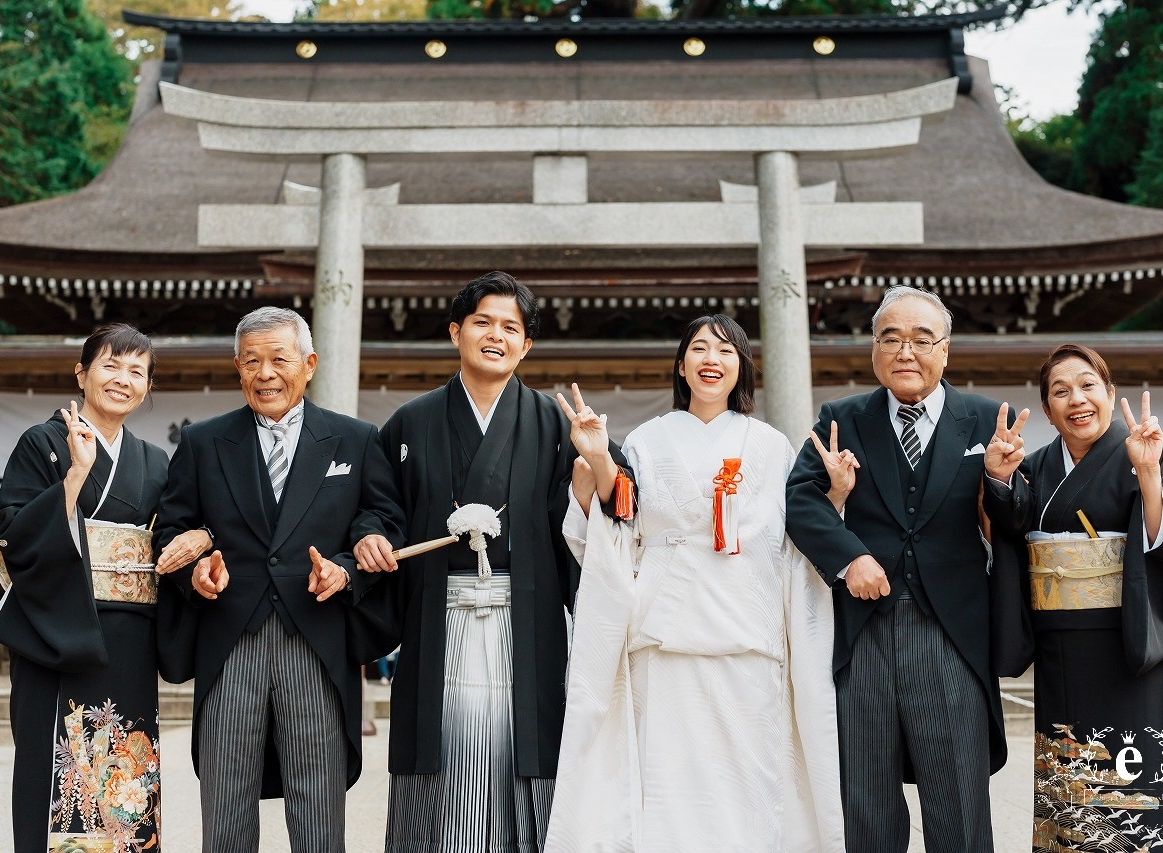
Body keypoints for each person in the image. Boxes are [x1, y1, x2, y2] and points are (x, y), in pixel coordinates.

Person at [349, 270, 629, 852]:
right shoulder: (409, 423)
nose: (495, 336)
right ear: (456, 332)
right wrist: (370, 537)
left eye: (511, 327)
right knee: (437, 754)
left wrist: (596, 465)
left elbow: (611, 511)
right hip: (436, 623)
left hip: (525, 624)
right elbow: (378, 508)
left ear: (526, 346)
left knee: (522, 753)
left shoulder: (558, 424)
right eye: (482, 322)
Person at [547, 315, 846, 851]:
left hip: (748, 635)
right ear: (681, 365)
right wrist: (597, 457)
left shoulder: (772, 445)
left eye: (726, 351)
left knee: (751, 783)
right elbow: (621, 517)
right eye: (700, 349)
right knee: (664, 783)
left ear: (742, 369)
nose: (712, 360)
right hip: (665, 636)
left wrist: (836, 502)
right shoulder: (646, 439)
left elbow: (797, 538)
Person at [153, 306, 393, 852]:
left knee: (318, 809)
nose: (266, 374)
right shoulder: (203, 443)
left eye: (280, 359)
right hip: (230, 636)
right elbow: (172, 528)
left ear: (308, 364)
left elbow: (378, 519)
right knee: (226, 801)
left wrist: (350, 568)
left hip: (317, 634)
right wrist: (195, 573)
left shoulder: (355, 440)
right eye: (252, 361)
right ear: (237, 368)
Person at [785, 285, 1008, 853]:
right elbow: (799, 500)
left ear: (946, 350)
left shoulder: (985, 420)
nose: (905, 351)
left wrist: (1004, 482)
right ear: (875, 350)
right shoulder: (843, 419)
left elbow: (1011, 523)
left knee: (957, 797)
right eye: (891, 338)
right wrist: (849, 555)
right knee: (865, 800)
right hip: (862, 631)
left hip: (950, 631)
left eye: (921, 339)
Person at [983, 343, 1163, 852]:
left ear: (1111, 395)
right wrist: (1000, 481)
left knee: (1131, 802)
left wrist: (1150, 475)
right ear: (1048, 410)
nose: (1077, 399)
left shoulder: (1146, 455)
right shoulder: (1040, 465)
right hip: (1061, 656)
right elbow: (1014, 526)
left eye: (1088, 385)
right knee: (1068, 798)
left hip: (1133, 649)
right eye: (1060, 391)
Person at [0, 324, 197, 853]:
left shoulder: (153, 461)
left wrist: (197, 539)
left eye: (137, 372)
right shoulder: (42, 442)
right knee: (50, 768)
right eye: (110, 365)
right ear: (81, 373)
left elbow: (170, 533)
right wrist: (76, 475)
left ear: (148, 387)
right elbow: (14, 532)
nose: (123, 380)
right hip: (54, 634)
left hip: (128, 640)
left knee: (125, 774)